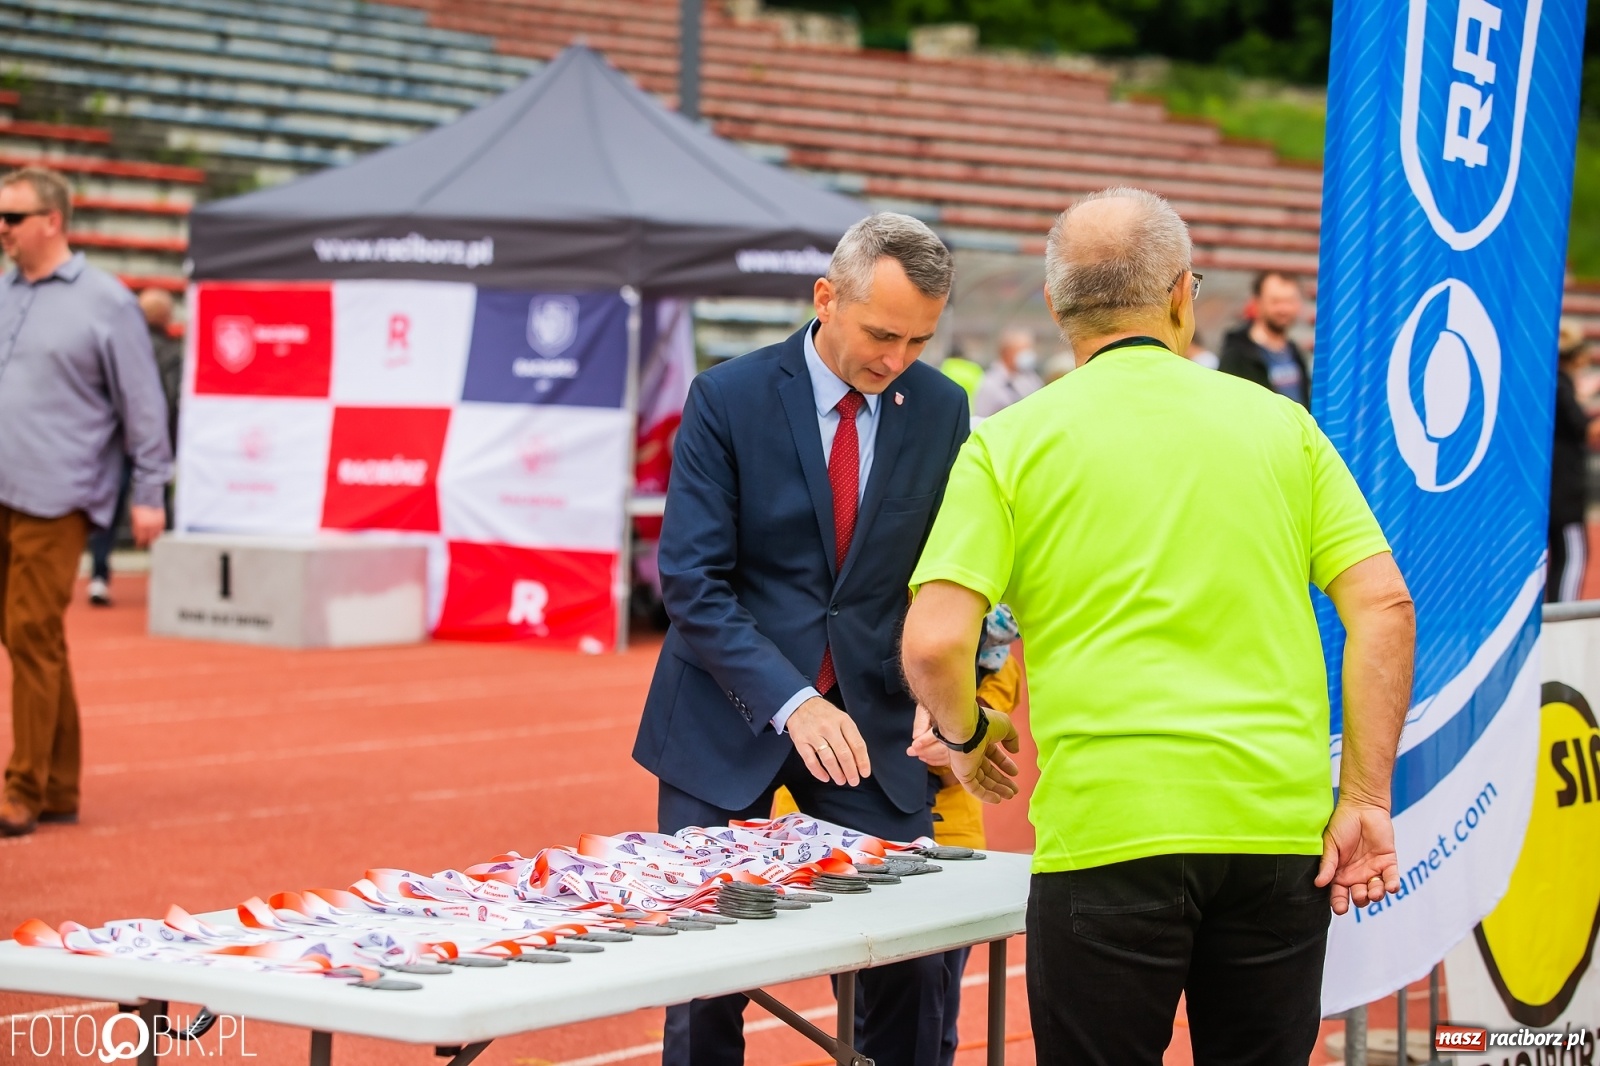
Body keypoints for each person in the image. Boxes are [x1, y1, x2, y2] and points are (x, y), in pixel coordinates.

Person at [900, 187, 1415, 1066]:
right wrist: (1364, 797)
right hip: (1272, 830)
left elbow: (936, 640)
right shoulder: (1281, 425)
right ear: (1184, 293)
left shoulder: (1011, 442)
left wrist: (968, 734)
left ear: (1060, 309)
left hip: (1106, 833)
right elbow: (1383, 607)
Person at [632, 212, 970, 1066]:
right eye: (882, 334)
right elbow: (693, 586)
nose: (897, 359)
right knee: (709, 970)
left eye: (919, 340)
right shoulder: (727, 395)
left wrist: (949, 687)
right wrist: (793, 702)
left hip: (873, 719)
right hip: (727, 714)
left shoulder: (941, 408)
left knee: (910, 954)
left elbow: (951, 574)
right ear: (826, 298)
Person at [0, 167, 171, 837]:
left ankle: (21, 790)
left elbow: (143, 404)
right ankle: (59, 786)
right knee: (27, 636)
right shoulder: (6, 291)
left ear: (52, 221)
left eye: (12, 217)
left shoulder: (106, 302)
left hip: (59, 492)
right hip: (3, 489)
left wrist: (149, 491)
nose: (2, 229)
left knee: (30, 632)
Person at [86, 288, 182, 607]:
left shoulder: (115, 346)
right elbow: (171, 402)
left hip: (116, 445)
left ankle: (99, 576)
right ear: (165, 317)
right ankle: (167, 578)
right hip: (153, 446)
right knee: (161, 514)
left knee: (108, 515)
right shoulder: (172, 352)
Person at [1550, 319, 1599, 602]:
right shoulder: (1562, 387)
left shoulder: (1554, 385)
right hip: (1565, 492)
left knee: (1564, 559)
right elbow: (1585, 429)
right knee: (1572, 558)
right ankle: (1561, 619)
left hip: (1555, 489)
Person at [1218, 270, 1311, 408]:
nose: (1283, 309)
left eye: (1290, 301)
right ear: (1257, 302)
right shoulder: (1237, 354)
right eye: (1276, 301)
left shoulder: (1294, 351)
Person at [973, 327, 1043, 417]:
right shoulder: (990, 384)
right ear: (1007, 352)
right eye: (1023, 350)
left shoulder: (1031, 378)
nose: (1028, 354)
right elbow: (981, 418)